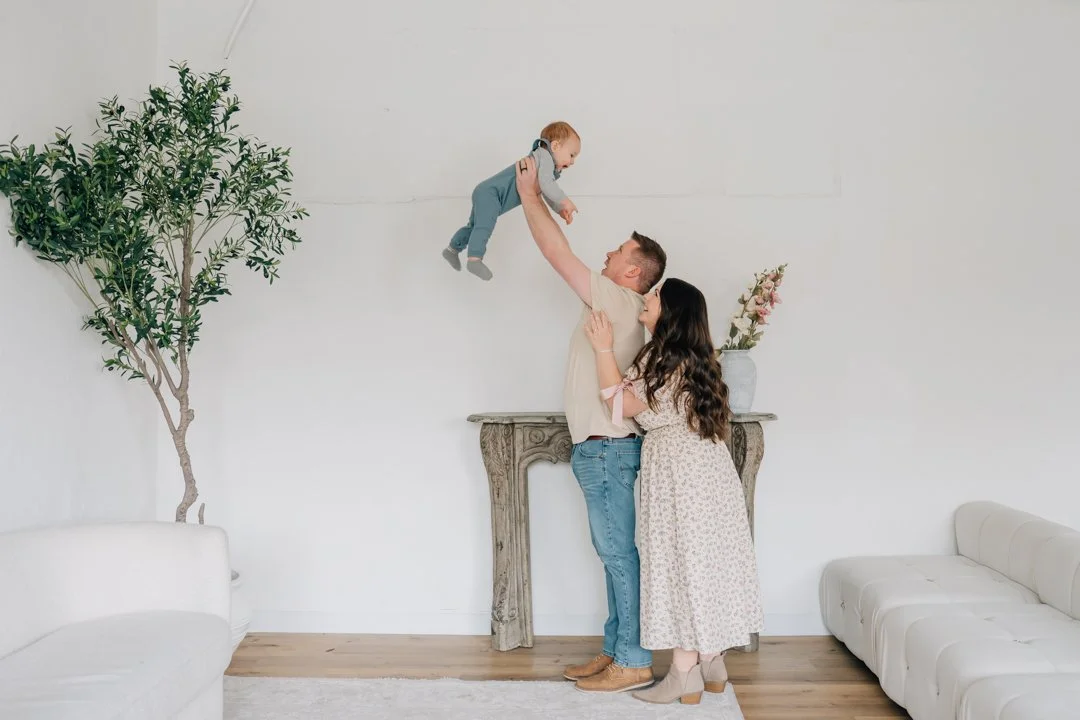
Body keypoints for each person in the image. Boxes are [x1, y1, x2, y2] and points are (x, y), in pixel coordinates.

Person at [514, 155, 667, 693]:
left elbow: (557, 252)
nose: (608, 251)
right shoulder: (620, 300)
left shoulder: (617, 298)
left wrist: (531, 194)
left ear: (632, 271)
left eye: (620, 250)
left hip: (607, 449)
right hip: (602, 449)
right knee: (614, 556)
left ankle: (634, 661)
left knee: (619, 556)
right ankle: (615, 651)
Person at [582, 279, 765, 705]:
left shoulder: (662, 357)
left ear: (669, 311)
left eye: (654, 295)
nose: (646, 298)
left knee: (678, 563)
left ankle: (684, 673)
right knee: (704, 563)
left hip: (678, 473)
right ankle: (712, 660)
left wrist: (603, 348)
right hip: (709, 468)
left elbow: (620, 406)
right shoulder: (694, 357)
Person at [442, 121, 580, 281]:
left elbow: (545, 190)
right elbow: (547, 185)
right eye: (572, 155)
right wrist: (565, 200)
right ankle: (474, 259)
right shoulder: (544, 155)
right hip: (491, 194)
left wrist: (559, 208)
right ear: (555, 146)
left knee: (473, 227)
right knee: (483, 226)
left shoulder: (544, 164)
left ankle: (452, 250)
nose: (573, 162)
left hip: (487, 193)